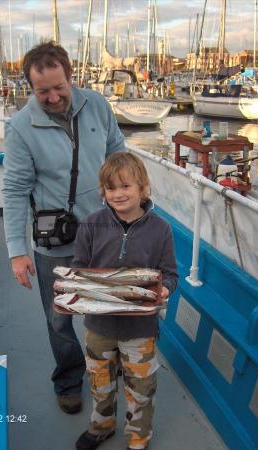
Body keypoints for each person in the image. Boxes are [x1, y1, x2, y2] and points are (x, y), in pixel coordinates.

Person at [2, 41, 125, 415]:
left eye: (59, 87)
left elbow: (117, 152)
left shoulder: (98, 105)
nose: (53, 97)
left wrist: (131, 200)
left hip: (103, 233)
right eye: (43, 91)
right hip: (53, 243)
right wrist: (17, 251)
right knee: (60, 318)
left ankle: (106, 368)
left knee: (105, 308)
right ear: (30, 88)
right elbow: (14, 189)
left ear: (71, 78)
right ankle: (69, 379)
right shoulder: (20, 127)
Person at [72, 152, 178, 450]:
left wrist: (164, 289)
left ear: (142, 187)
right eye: (110, 188)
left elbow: (170, 274)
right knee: (99, 381)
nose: (117, 194)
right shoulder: (90, 225)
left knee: (141, 387)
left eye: (125, 186)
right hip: (99, 326)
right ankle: (101, 426)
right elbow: (79, 267)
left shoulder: (161, 229)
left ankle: (138, 438)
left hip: (140, 329)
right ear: (103, 192)